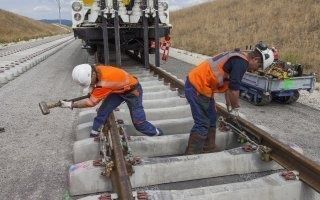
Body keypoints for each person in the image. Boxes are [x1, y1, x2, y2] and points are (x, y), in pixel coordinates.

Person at [184, 42, 274, 155]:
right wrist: (235, 108)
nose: (257, 69)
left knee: (212, 118)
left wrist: (229, 106)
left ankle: (209, 147)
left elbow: (228, 86)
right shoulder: (242, 62)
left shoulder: (238, 57)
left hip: (204, 88)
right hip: (197, 86)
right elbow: (234, 89)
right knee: (202, 123)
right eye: (259, 66)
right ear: (255, 59)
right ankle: (191, 154)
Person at [59, 64, 163, 137]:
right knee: (103, 111)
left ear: (93, 75)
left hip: (133, 92)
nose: (91, 84)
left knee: (139, 123)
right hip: (118, 90)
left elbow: (91, 102)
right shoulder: (96, 69)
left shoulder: (104, 83)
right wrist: (93, 89)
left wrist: (71, 104)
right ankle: (95, 132)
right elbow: (96, 88)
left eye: (91, 82)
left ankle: (157, 133)